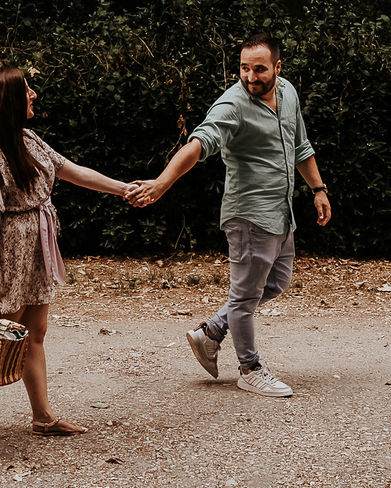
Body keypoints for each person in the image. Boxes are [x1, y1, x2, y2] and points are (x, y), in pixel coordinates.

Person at [0, 65, 131, 443]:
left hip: (37, 249)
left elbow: (72, 170)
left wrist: (124, 189)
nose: (33, 94)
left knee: (34, 332)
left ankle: (43, 417)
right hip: (10, 254)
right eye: (26, 90)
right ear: (9, 100)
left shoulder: (27, 138)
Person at [125, 33, 331, 398]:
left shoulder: (288, 93)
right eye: (244, 68)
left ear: (277, 67)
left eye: (260, 69)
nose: (251, 77)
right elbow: (198, 144)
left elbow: (300, 145)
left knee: (276, 282)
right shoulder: (232, 105)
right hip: (249, 215)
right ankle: (249, 368)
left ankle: (212, 331)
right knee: (245, 296)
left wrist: (318, 189)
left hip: (281, 212)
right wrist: (161, 183)